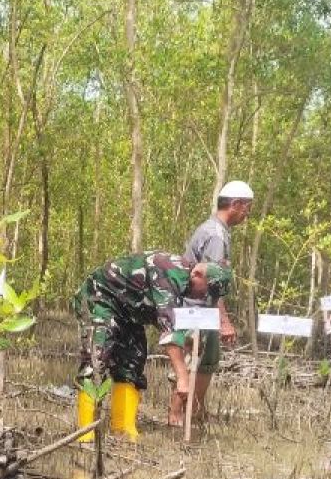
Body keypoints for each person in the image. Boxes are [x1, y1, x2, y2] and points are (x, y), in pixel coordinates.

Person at [72, 251, 232, 440]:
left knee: (133, 361)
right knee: (97, 360)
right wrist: (182, 377)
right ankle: (85, 432)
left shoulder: (184, 282)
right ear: (197, 274)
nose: (204, 295)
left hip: (129, 312)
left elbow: (170, 320)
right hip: (101, 299)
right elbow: (169, 332)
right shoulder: (167, 273)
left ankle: (123, 428)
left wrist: (187, 341)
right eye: (205, 290)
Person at [179, 179, 253, 418]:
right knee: (198, 364)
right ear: (235, 204)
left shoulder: (212, 230)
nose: (247, 214)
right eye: (246, 207)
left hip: (196, 310)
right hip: (199, 311)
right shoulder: (216, 235)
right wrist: (224, 321)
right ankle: (185, 416)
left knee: (201, 361)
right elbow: (211, 281)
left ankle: (191, 414)